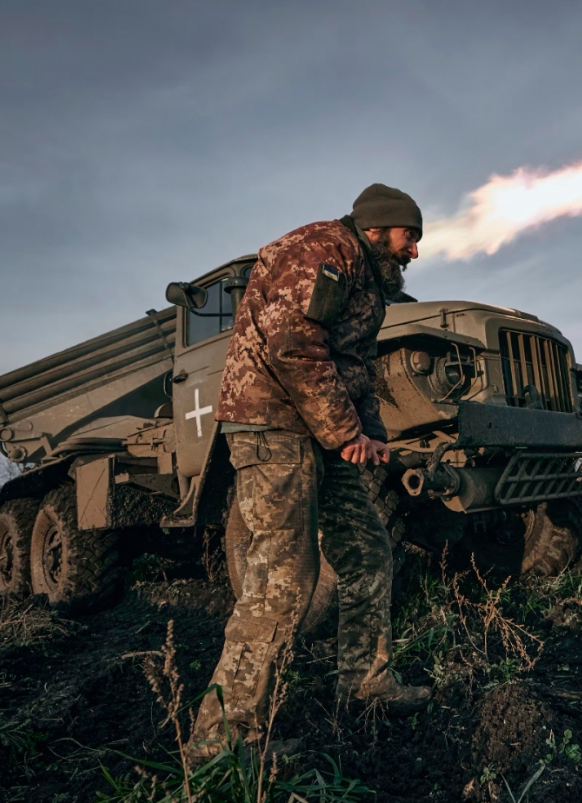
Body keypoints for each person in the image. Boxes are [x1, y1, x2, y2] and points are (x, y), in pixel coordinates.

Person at [191, 184, 430, 756]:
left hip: (320, 431)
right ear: (376, 228)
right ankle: (221, 740)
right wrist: (346, 433)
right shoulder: (322, 251)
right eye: (409, 236)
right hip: (273, 425)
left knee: (369, 552)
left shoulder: (369, 278)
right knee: (283, 579)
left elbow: (356, 367)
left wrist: (370, 436)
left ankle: (365, 684)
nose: (415, 251)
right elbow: (293, 347)